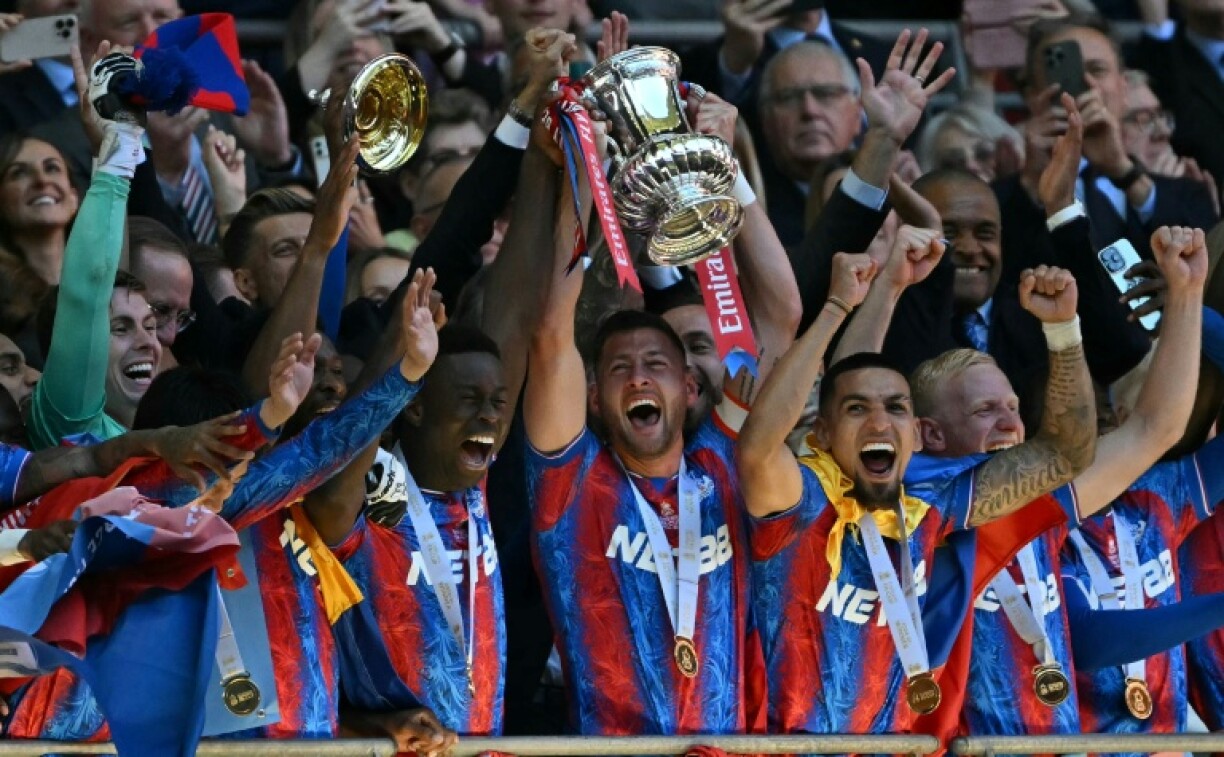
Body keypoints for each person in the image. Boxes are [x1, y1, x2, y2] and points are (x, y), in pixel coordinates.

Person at [735, 231, 1098, 734]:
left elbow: (1065, 454)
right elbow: (756, 447)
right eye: (858, 411)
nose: (880, 423)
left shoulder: (932, 506)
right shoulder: (801, 503)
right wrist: (837, 307)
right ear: (823, 433)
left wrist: (1062, 330)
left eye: (896, 408)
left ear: (916, 435)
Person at [907, 223, 1208, 742]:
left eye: (1013, 409)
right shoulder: (920, 520)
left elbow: (1154, 429)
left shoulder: (1030, 511)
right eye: (985, 410)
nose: (1011, 425)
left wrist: (1186, 292)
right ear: (931, 434)